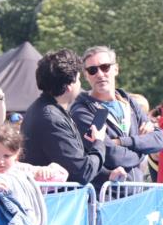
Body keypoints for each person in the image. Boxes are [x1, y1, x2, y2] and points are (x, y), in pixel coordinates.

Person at [70, 46, 163, 190]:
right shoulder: (85, 110)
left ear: (116, 69)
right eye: (92, 70)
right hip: (107, 197)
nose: (100, 74)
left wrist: (121, 142)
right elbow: (111, 155)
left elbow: (159, 141)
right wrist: (142, 151)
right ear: (86, 75)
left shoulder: (129, 102)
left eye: (105, 67)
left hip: (136, 194)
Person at [21, 49, 110, 187]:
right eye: (79, 79)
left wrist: (108, 174)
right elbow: (82, 172)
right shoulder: (51, 118)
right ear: (69, 86)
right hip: (54, 204)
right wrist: (99, 142)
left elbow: (70, 163)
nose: (80, 84)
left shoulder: (45, 110)